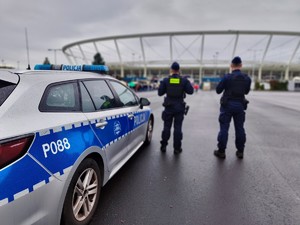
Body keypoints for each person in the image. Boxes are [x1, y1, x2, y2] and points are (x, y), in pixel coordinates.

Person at [214, 56, 251, 159]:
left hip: (227, 106)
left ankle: (221, 152)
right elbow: (246, 91)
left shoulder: (227, 77)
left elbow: (218, 90)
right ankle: (240, 151)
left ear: (231, 66)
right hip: (240, 105)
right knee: (239, 128)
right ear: (241, 65)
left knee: (224, 128)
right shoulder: (247, 78)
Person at [158, 62, 194, 154]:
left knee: (166, 127)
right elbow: (191, 91)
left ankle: (163, 146)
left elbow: (160, 93)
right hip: (179, 108)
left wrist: (164, 85)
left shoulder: (166, 80)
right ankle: (177, 149)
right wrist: (186, 82)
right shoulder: (183, 80)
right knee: (178, 128)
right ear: (179, 70)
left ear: (171, 70)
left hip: (168, 107)